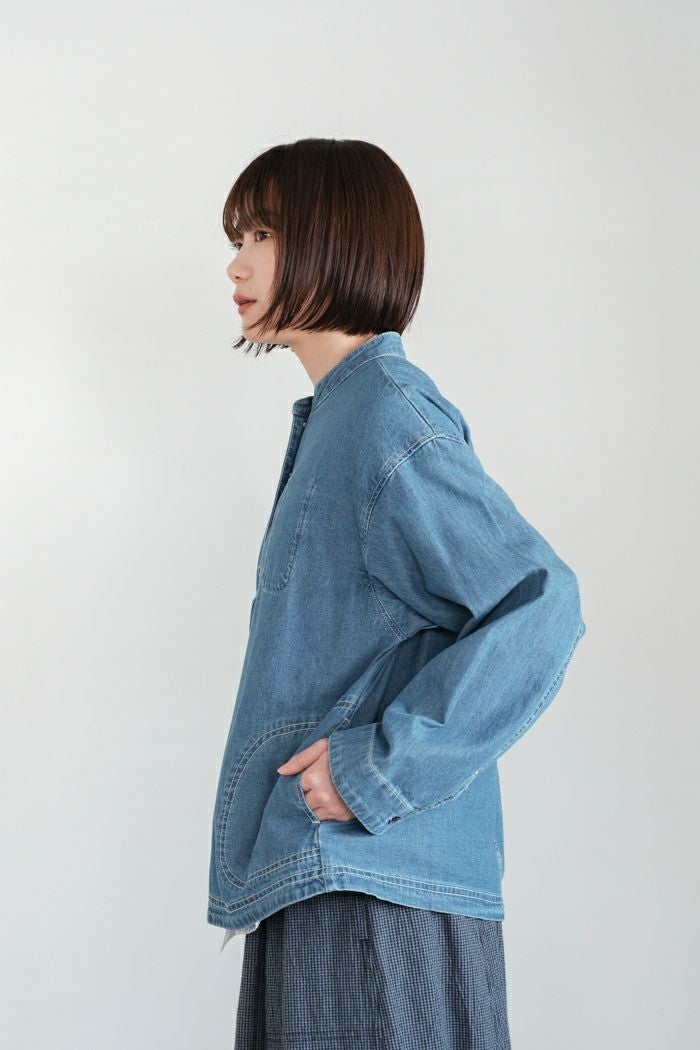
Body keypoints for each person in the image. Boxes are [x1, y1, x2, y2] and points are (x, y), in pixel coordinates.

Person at [208, 137, 587, 1050]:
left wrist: (377, 768)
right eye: (238, 238)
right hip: (336, 869)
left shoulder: (383, 417)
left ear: (336, 239)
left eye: (263, 234)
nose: (237, 264)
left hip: (369, 888)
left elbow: (542, 604)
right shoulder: (345, 418)